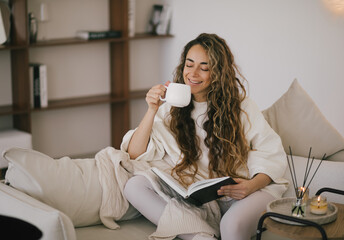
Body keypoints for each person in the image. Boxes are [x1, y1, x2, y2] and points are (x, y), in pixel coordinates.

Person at [122, 33, 288, 240]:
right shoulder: (173, 106)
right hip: (202, 197)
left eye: (204, 67)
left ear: (218, 73)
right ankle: (200, 236)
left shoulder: (242, 106)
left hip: (243, 191)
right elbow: (135, 152)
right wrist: (151, 110)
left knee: (231, 227)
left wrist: (250, 186)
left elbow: (271, 152)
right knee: (134, 186)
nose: (193, 73)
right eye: (189, 64)